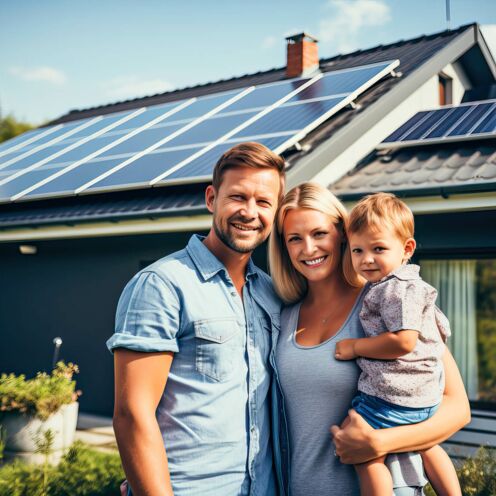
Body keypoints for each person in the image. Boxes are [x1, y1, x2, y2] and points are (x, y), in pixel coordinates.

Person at [268, 182, 470, 496]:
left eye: (320, 233)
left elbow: (457, 408)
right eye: (295, 238)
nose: (308, 249)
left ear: (343, 234)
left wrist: (379, 443)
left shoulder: (390, 303)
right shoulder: (281, 318)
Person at [107, 142, 285, 495]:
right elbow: (132, 415)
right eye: (237, 197)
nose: (250, 212)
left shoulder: (272, 293)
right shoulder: (162, 284)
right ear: (211, 199)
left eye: (263, 202)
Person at [334, 193, 461, 496]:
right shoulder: (412, 285)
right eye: (357, 250)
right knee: (427, 444)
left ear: (407, 249)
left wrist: (354, 347)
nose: (366, 259)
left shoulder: (394, 288)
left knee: (367, 454)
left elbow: (404, 341)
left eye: (378, 249)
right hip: (425, 398)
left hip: (392, 396)